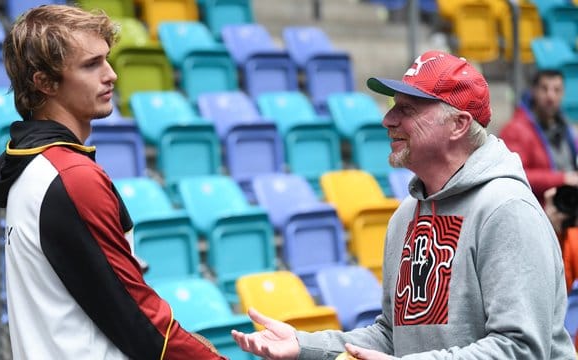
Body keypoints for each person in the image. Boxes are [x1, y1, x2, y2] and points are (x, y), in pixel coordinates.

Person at [231, 50, 575, 359]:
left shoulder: (507, 210)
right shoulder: (405, 217)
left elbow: (521, 350)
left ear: (458, 124)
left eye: (407, 109)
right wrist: (304, 345)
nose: (388, 119)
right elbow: (392, 337)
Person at [0, 5, 225, 360]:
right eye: (91, 64)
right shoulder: (70, 176)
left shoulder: (33, 166)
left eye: (107, 60)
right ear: (44, 82)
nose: (110, 75)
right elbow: (141, 322)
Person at [499, 69, 578, 205]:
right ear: (534, 91)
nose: (550, 96)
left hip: (566, 208)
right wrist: (562, 179)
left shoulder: (567, 129)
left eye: (556, 90)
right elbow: (514, 175)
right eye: (544, 89)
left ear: (563, 93)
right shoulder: (515, 130)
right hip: (537, 211)